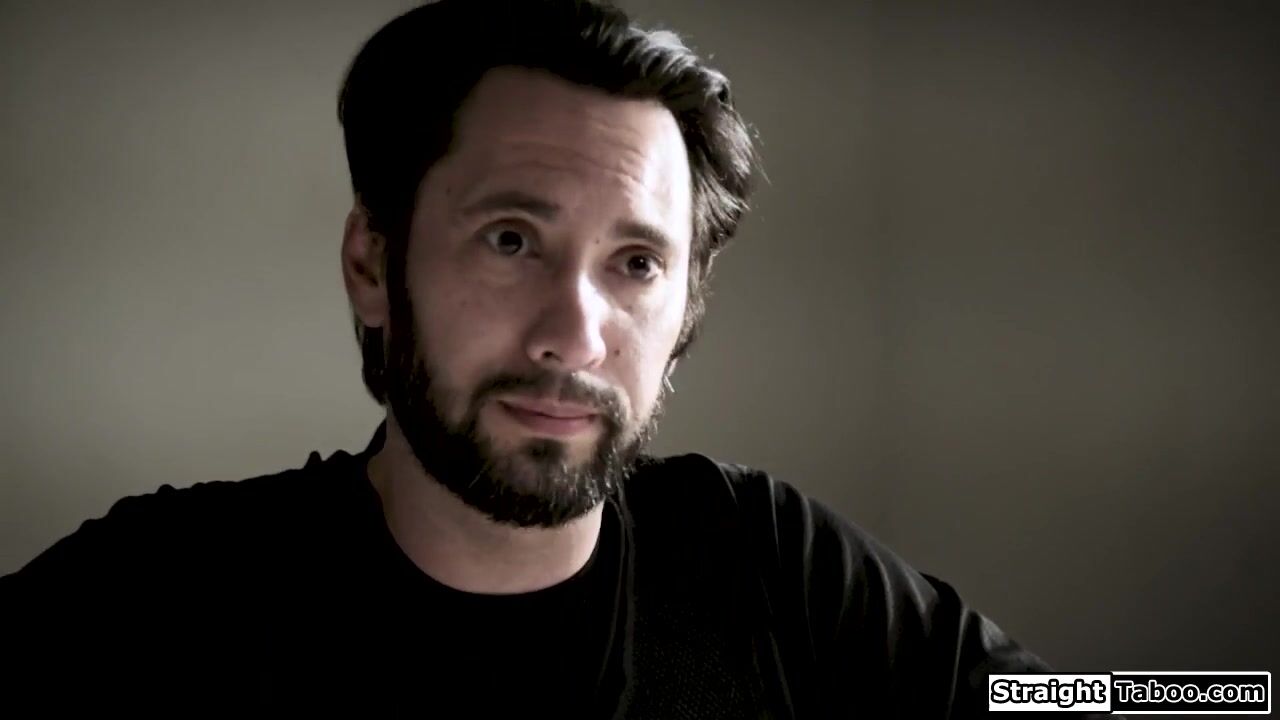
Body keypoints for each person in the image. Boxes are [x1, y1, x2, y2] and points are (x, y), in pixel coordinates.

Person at [1, 1, 1105, 717]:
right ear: (372, 264)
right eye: (510, 240)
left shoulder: (768, 566)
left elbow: (1123, 700)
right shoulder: (162, 597)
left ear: (685, 310)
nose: (573, 336)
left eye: (636, 263)